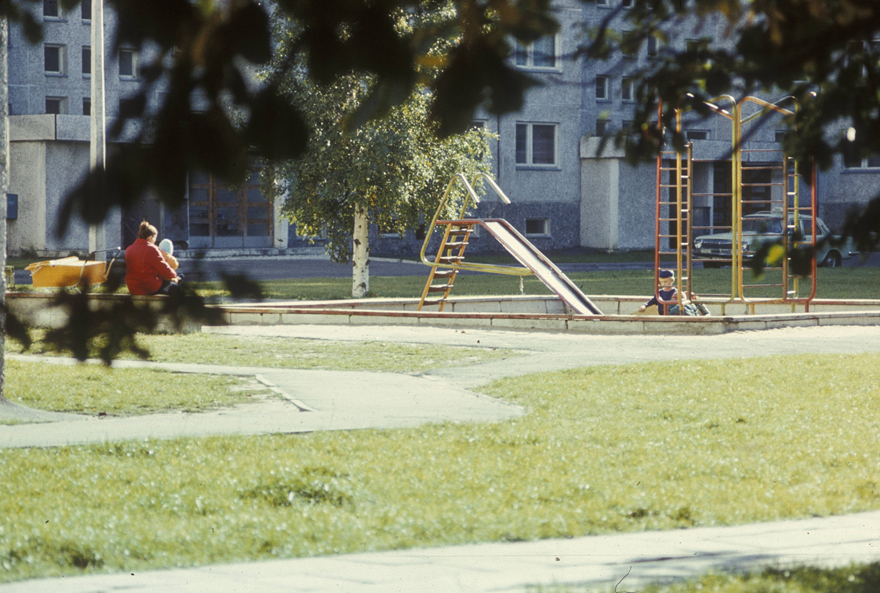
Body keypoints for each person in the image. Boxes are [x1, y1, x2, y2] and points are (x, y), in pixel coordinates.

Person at [125, 222, 181, 295]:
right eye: (155, 239)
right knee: (176, 287)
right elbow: (166, 271)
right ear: (150, 237)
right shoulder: (152, 249)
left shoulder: (129, 249)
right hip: (149, 288)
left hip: (133, 288)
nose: (154, 242)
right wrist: (175, 276)